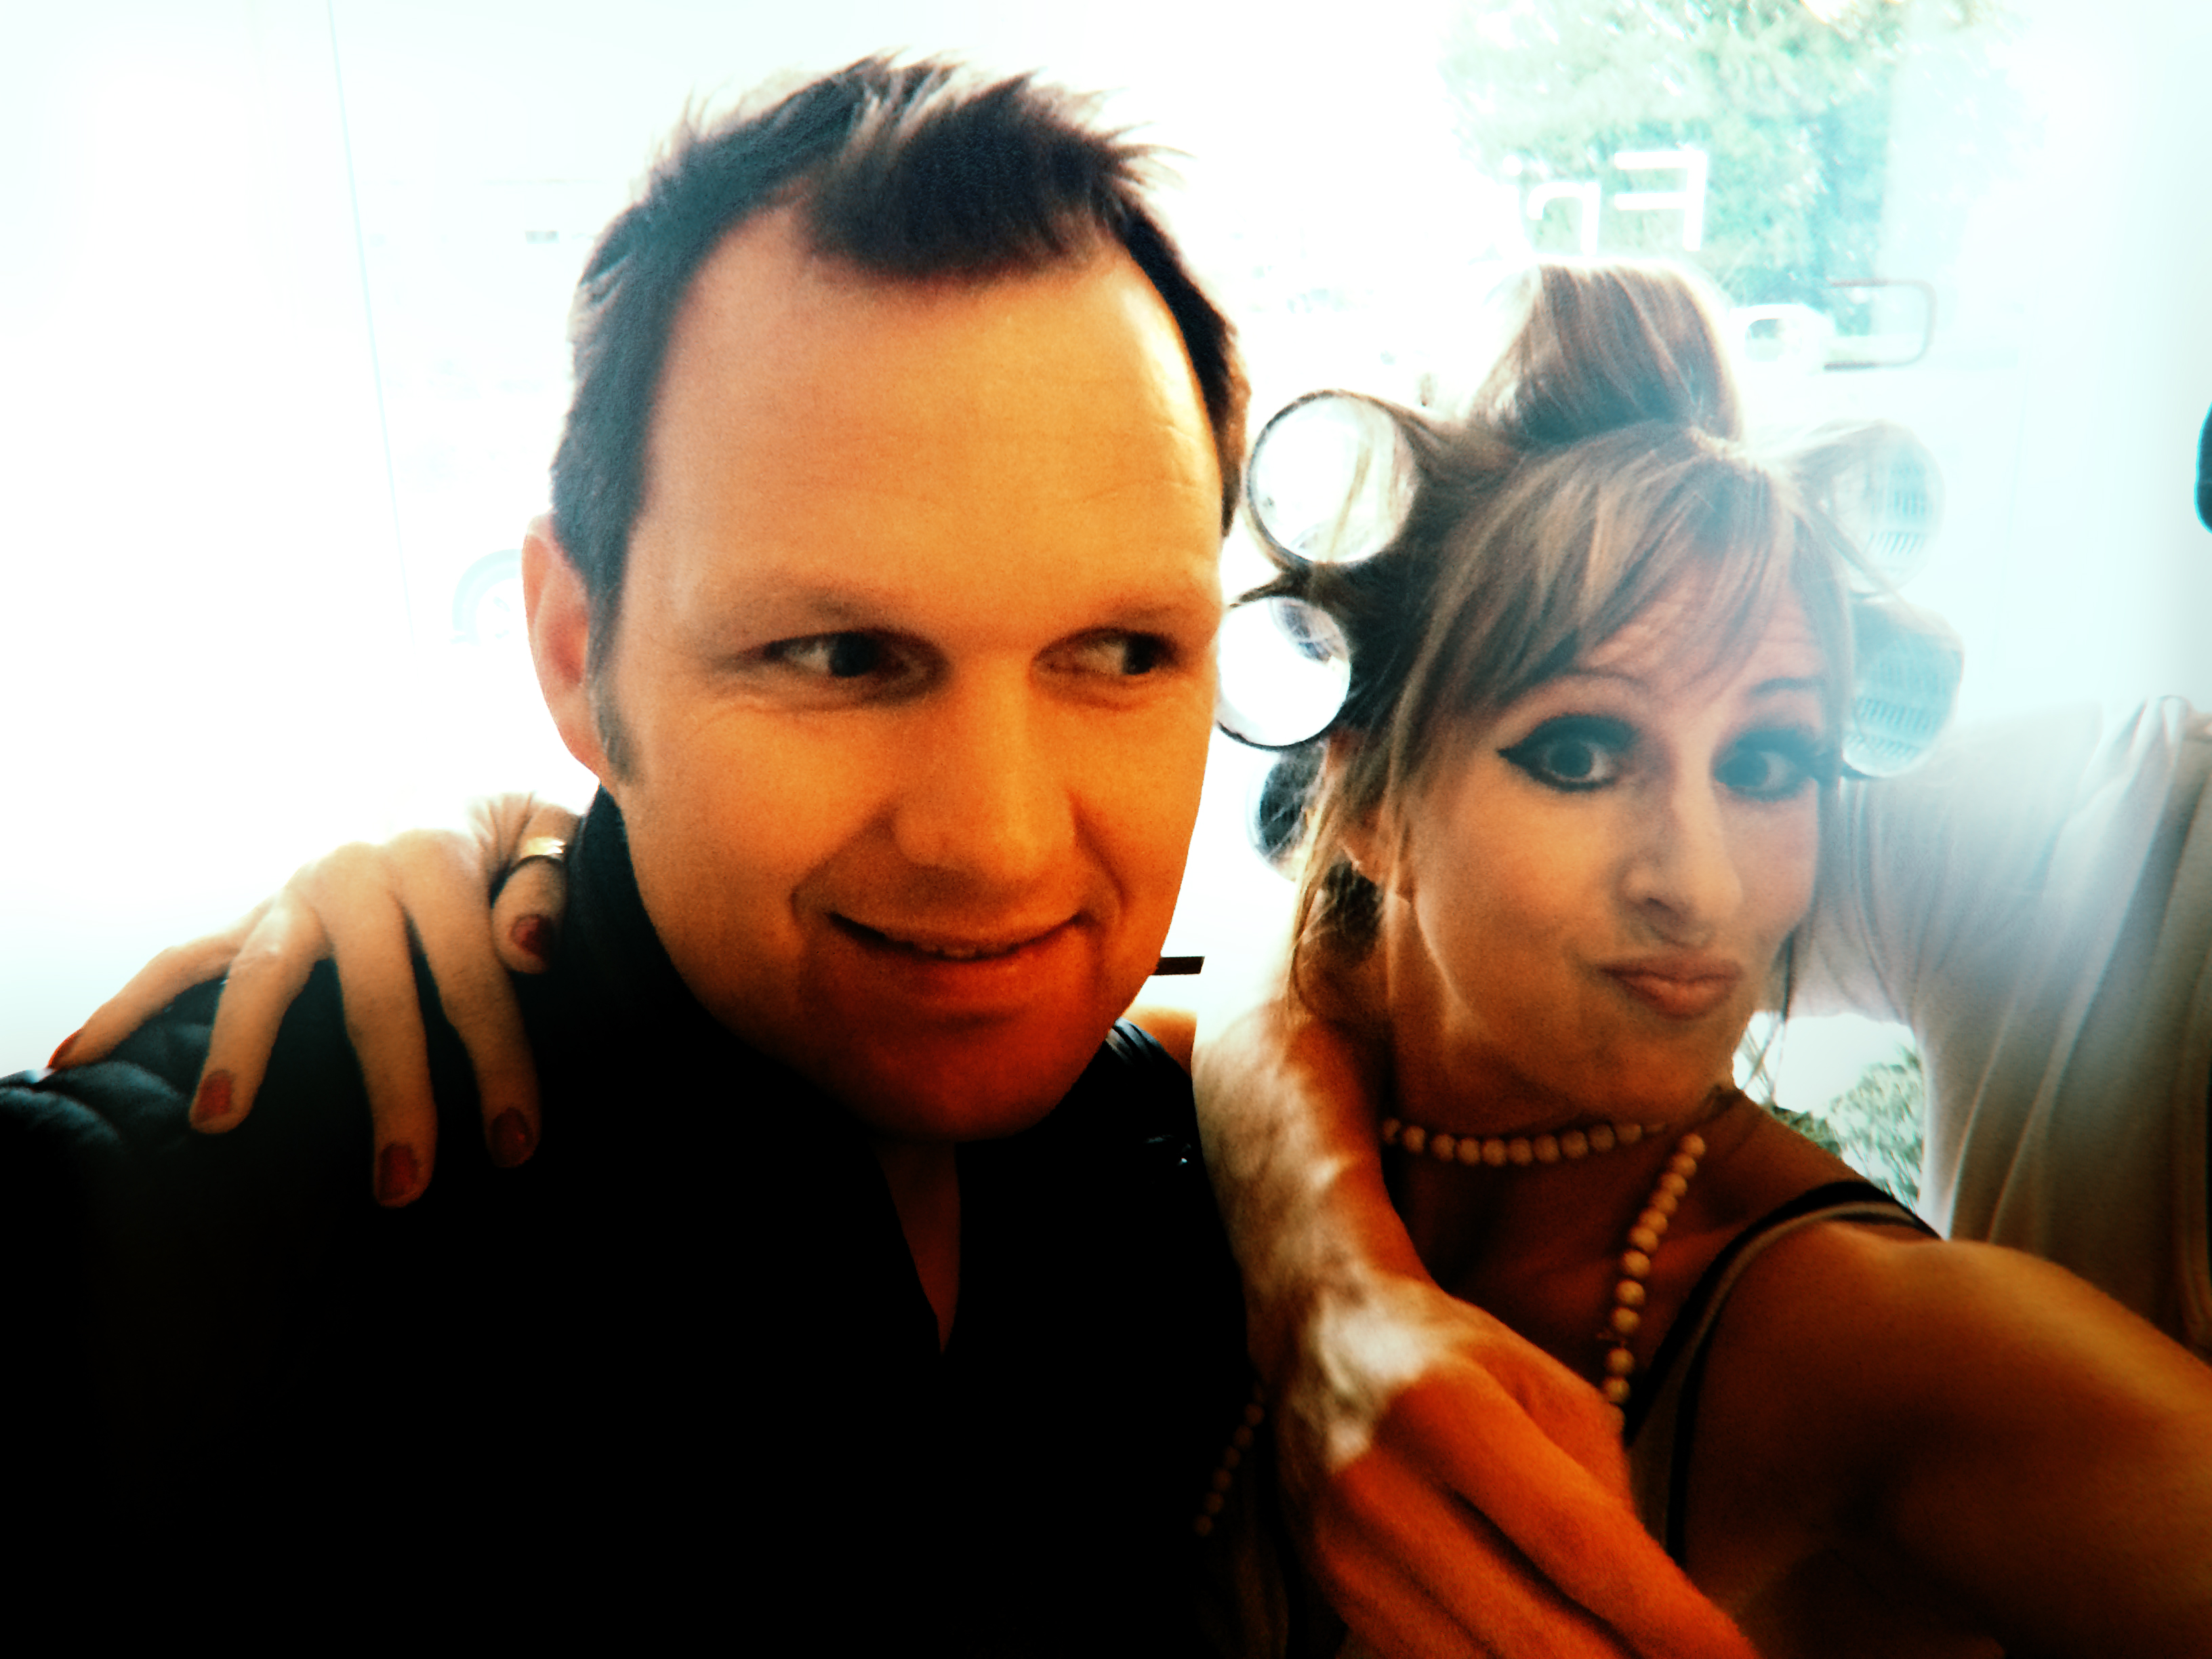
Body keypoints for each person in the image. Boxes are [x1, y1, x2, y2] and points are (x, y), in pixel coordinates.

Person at [6, 57, 1744, 1659]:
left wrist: (1321, 1263)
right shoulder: (156, 1242)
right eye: (840, 657)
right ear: (575, 657)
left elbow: (1230, 1048)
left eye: (1120, 652)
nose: (996, 843)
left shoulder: (1177, 1203)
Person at [1201, 262, 2212, 1654]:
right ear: (1372, 804)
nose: (1703, 884)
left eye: (1768, 763)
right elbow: (1282, 956)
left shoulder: (1888, 1349)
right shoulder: (1162, 1132)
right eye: (1579, 753)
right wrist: (1324, 1271)